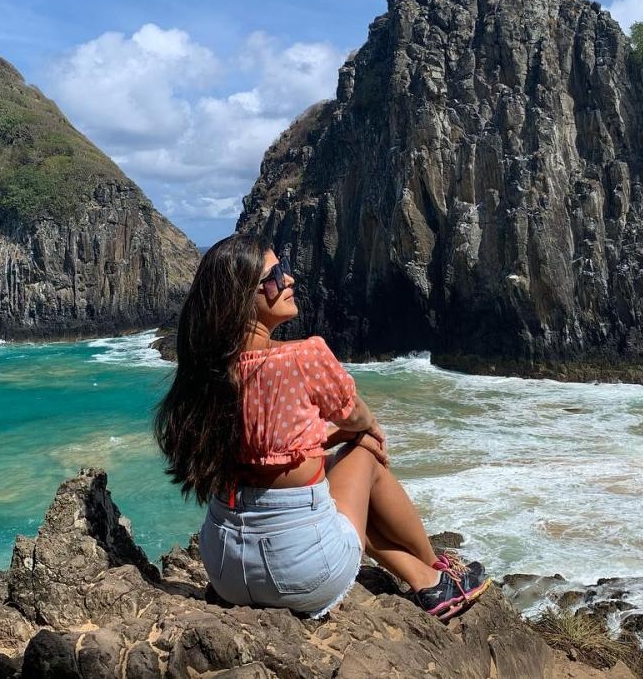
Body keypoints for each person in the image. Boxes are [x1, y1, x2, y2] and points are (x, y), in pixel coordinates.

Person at [153, 233, 490, 621]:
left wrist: (336, 436)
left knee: (332, 494)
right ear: (243, 297)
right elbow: (357, 416)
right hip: (300, 574)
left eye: (286, 270)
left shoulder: (207, 373)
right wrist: (365, 431)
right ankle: (439, 572)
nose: (290, 279)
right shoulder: (303, 356)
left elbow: (272, 454)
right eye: (275, 275)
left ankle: (422, 576)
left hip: (226, 570)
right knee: (363, 454)